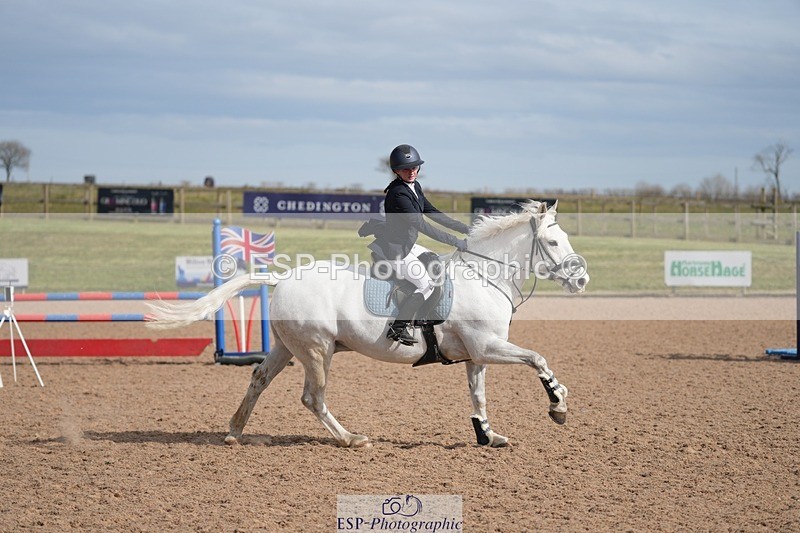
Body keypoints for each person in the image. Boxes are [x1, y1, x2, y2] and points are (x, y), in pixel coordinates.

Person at [368, 144, 470, 345]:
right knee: (426, 285)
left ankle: (423, 317)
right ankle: (397, 328)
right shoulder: (398, 193)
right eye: (406, 169)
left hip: (407, 244)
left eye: (415, 167)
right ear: (396, 171)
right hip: (396, 251)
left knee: (435, 261)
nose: (412, 171)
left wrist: (464, 228)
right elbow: (422, 225)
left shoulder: (414, 186)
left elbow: (431, 212)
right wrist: (455, 241)